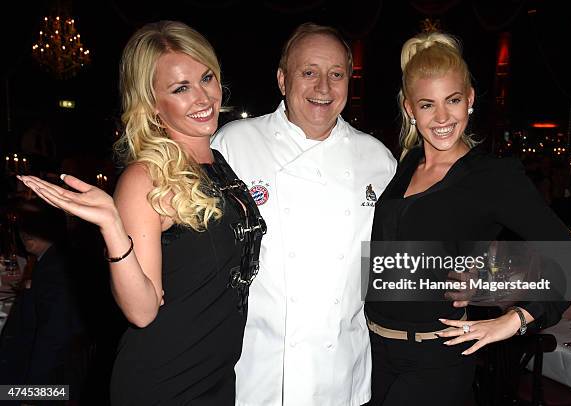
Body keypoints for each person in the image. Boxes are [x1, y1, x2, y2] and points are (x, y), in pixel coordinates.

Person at [18, 20, 265, 405]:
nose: (203, 98)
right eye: (180, 88)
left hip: (216, 375)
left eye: (206, 78)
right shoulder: (145, 177)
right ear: (151, 103)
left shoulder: (216, 161)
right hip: (166, 381)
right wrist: (112, 228)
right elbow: (142, 311)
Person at [364, 31, 571, 405]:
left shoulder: (493, 177)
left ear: (469, 100)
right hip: (371, 353)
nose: (442, 117)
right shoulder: (403, 166)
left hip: (435, 360)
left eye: (452, 100)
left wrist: (513, 318)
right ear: (409, 109)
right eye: (427, 104)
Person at [212, 23, 396, 406]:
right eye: (308, 72)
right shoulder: (235, 144)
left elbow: (393, 259)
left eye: (336, 75)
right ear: (282, 80)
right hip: (255, 373)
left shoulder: (378, 160)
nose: (324, 88)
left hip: (342, 374)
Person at [0, 199, 83, 388]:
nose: (23, 233)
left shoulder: (55, 272)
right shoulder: (50, 259)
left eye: (30, 226)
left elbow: (53, 340)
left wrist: (32, 396)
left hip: (40, 386)